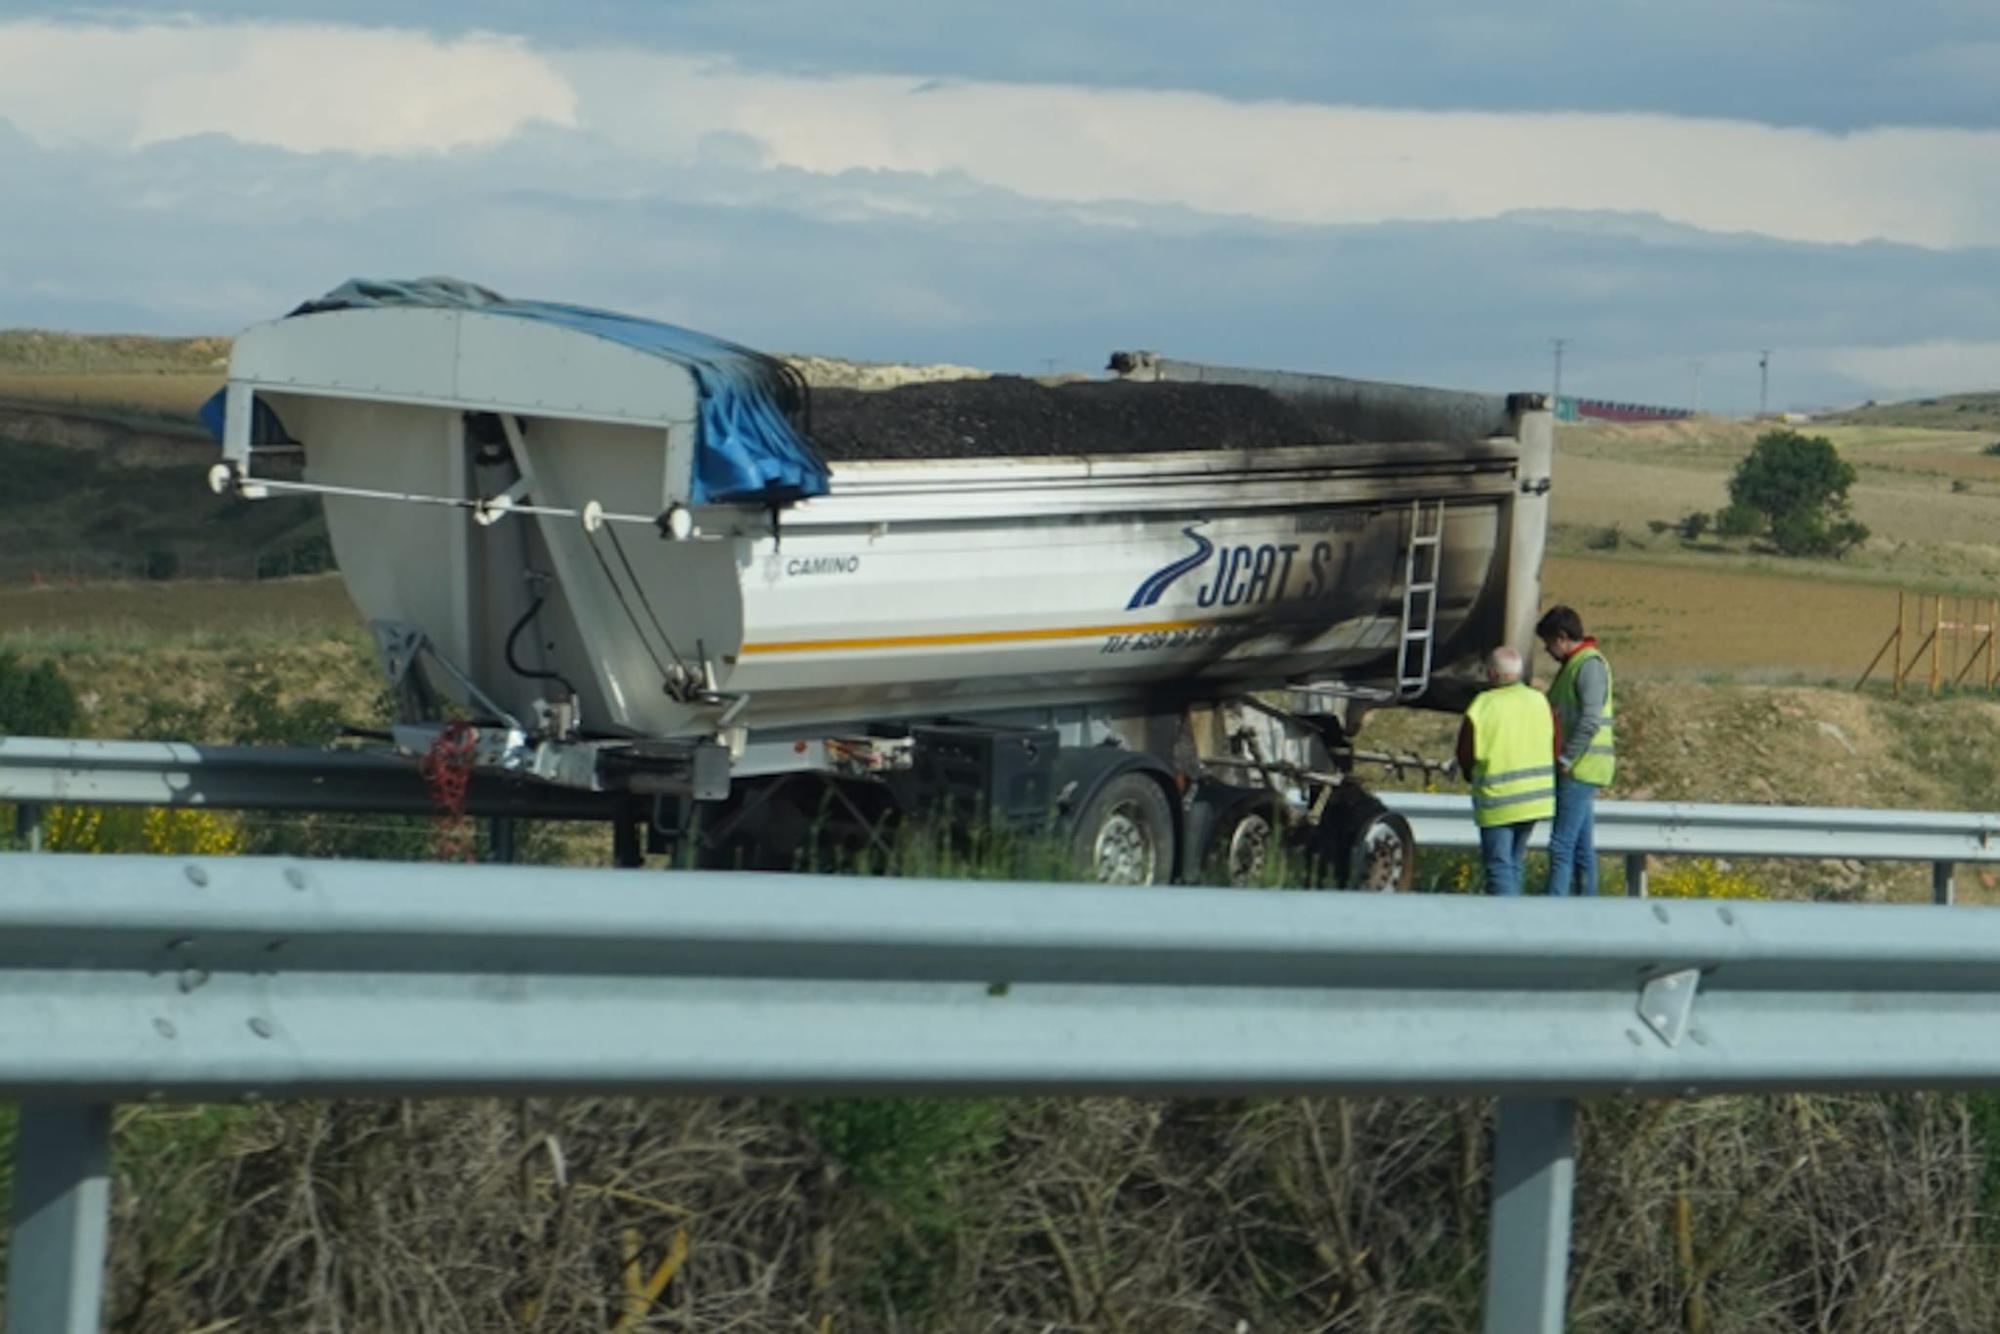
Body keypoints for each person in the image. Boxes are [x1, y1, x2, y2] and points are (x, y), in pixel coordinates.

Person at [1455, 646, 1557, 896]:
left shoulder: (1483, 705)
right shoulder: (1539, 700)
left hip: (1498, 799)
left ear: (1492, 673)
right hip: (1535, 798)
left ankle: (1506, 918)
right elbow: (1555, 743)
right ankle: (1517, 914)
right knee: (1514, 862)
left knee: (1499, 866)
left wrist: (1469, 774)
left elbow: (1465, 750)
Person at [1537, 604, 1615, 896]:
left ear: (1561, 637)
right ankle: (1585, 907)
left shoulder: (1588, 666)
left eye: (1548, 642)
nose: (1546, 650)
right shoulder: (1575, 665)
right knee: (1581, 850)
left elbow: (1590, 720)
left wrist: (1566, 757)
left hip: (1580, 768)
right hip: (1581, 767)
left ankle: (1556, 910)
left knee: (1561, 846)